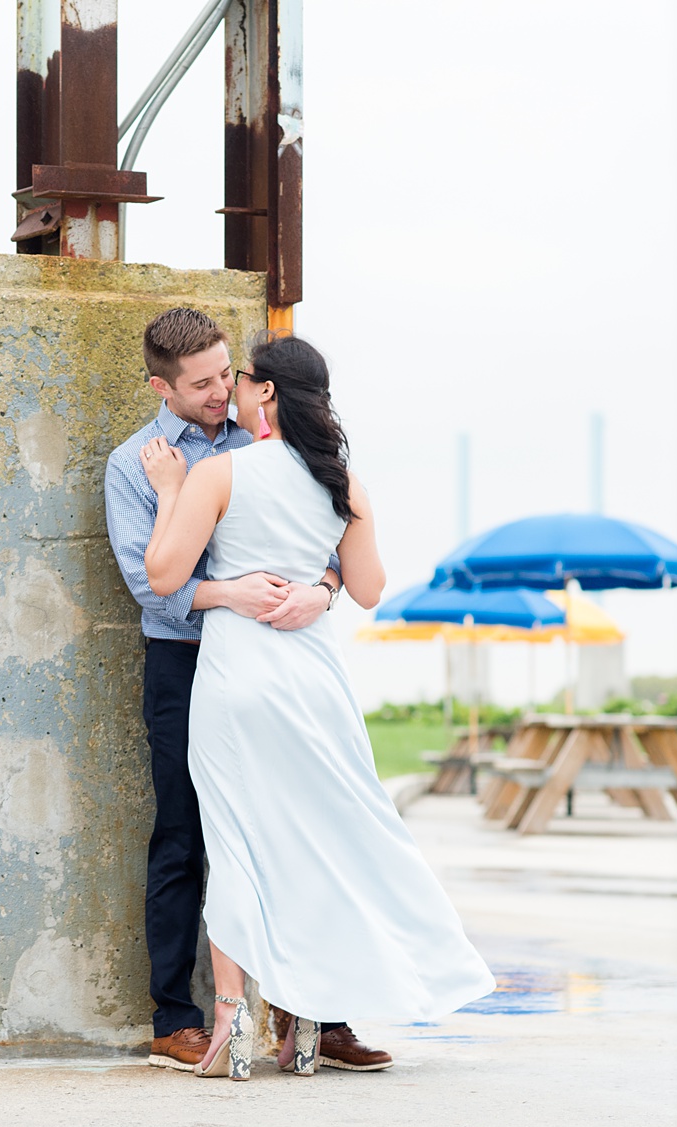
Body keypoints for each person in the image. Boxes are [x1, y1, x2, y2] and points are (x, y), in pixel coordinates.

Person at [140, 331, 495, 1081]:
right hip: (315, 679)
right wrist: (320, 586)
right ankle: (303, 1023)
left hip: (240, 673)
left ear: (266, 392)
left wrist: (172, 492)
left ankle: (232, 1021)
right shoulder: (344, 481)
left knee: (237, 840)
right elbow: (367, 588)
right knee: (315, 842)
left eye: (242, 378)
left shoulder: (220, 474)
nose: (232, 388)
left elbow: (165, 572)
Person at [104, 309, 342, 1072]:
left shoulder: (265, 442)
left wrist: (325, 590)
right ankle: (176, 1016)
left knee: (296, 829)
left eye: (223, 374)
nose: (218, 391)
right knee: (183, 834)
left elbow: (335, 539)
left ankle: (318, 1015)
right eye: (200, 382)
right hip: (184, 664)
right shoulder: (134, 463)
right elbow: (151, 584)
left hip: (274, 660)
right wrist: (230, 593)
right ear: (160, 386)